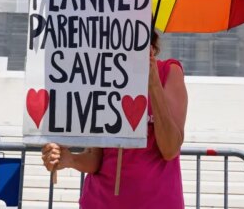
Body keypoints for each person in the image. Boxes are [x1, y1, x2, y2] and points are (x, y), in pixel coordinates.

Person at [41, 31, 189, 208]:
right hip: (99, 201)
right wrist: (69, 159)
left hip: (157, 202)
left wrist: (153, 84)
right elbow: (96, 158)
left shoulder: (169, 72)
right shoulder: (102, 75)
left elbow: (170, 150)